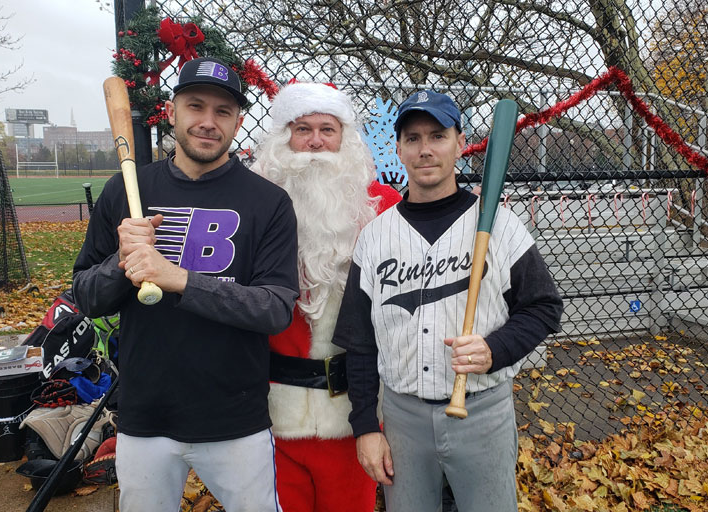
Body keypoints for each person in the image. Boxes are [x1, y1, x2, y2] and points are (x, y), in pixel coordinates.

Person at [72, 57, 299, 512]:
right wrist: (122, 261)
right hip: (146, 415)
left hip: (234, 417)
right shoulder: (126, 190)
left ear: (238, 121)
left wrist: (178, 279)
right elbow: (86, 297)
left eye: (223, 111)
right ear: (172, 112)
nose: (208, 122)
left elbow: (274, 309)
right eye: (196, 106)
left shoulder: (268, 202)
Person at [332, 90, 564, 512]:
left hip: (482, 410)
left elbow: (544, 307)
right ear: (398, 148)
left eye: (437, 136)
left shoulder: (500, 225)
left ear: (460, 143)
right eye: (413, 138)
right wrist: (366, 425)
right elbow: (360, 342)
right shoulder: (375, 237)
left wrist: (496, 348)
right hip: (402, 417)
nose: (425, 150)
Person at [253, 81, 400, 511]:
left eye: (327, 129)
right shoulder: (256, 207)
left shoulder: (383, 207)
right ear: (284, 139)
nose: (315, 142)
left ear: (345, 140)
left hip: (352, 412)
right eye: (302, 129)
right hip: (269, 412)